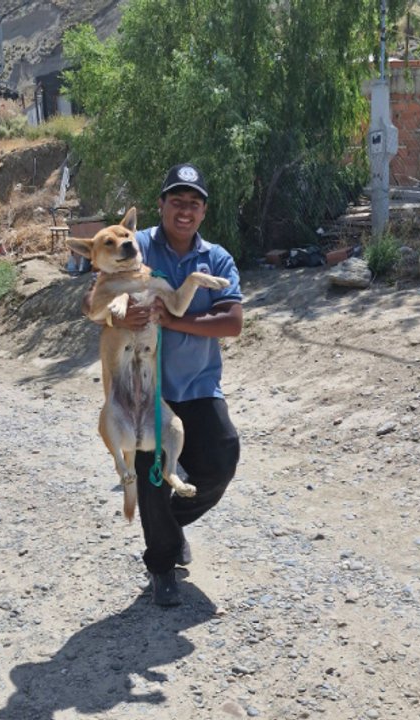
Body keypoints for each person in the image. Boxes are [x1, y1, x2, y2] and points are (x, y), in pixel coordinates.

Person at [83, 163, 243, 606]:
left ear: (203, 211)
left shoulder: (216, 258)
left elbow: (232, 323)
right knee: (152, 479)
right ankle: (162, 565)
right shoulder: (134, 243)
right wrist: (115, 316)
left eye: (194, 203)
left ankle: (169, 527)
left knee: (221, 461)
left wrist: (174, 320)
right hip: (144, 390)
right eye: (176, 201)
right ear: (162, 205)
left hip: (198, 386)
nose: (184, 210)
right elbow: (92, 299)